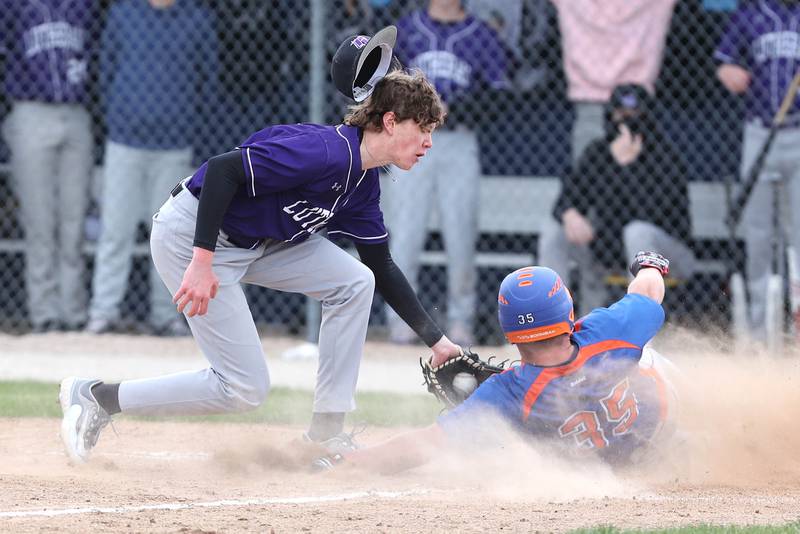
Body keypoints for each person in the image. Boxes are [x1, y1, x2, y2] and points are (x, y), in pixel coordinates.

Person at [58, 28, 463, 464]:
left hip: (259, 242)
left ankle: (325, 433)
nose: (428, 142)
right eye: (422, 128)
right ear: (389, 121)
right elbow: (221, 172)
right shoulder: (324, 151)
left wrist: (437, 342)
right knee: (244, 388)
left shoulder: (363, 183)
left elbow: (382, 266)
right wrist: (201, 260)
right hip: (192, 233)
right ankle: (99, 397)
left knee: (356, 282)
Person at [314, 251, 678, 473]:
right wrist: (649, 264)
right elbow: (648, 290)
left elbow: (426, 444)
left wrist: (351, 462)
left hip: (606, 466)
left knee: (515, 432)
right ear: (566, 310)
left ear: (510, 332)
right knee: (639, 353)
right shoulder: (606, 331)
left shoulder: (507, 392)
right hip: (663, 430)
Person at [86, 0, 219, 336]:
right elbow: (105, 74)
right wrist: (118, 118)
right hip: (124, 140)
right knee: (115, 229)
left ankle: (167, 316)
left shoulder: (197, 19)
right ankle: (103, 311)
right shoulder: (123, 13)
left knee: (169, 236)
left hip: (174, 143)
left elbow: (209, 83)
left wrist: (189, 128)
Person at [384, 0, 509, 346]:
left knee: (460, 234)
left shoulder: (481, 34)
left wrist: (455, 108)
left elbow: (499, 97)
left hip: (458, 141)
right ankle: (400, 321)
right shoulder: (407, 30)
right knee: (405, 235)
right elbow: (384, 89)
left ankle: (460, 321)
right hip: (410, 139)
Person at [538, 83, 697, 315]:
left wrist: (624, 168)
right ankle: (550, 324)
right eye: (620, 115)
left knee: (637, 232)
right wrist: (569, 214)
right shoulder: (600, 153)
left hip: (668, 257)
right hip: (608, 252)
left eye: (635, 116)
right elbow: (566, 198)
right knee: (554, 231)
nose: (627, 124)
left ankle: (639, 327)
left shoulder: (665, 157)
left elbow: (650, 213)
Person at [0, 0, 96, 333]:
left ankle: (73, 310)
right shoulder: (12, 6)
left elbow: (97, 56)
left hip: (75, 113)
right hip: (29, 112)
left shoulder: (82, 6)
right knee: (39, 221)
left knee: (73, 220)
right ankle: (44, 313)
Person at [714, 0, 800, 344]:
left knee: (799, 234)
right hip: (760, 132)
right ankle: (757, 331)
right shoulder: (750, 13)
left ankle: (797, 325)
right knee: (758, 233)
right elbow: (724, 61)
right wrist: (730, 73)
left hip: (799, 132)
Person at [549, 0, 677, 163]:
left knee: (587, 165)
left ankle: (589, 184)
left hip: (588, 92)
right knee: (638, 163)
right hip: (635, 94)